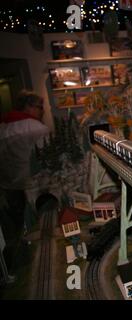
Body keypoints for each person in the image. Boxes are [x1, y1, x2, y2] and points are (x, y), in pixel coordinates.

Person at [0, 90, 49, 273]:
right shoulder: (35, 128)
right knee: (38, 228)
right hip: (31, 188)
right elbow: (47, 156)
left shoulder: (3, 128)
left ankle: (17, 270)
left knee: (15, 232)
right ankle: (38, 266)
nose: (42, 111)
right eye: (39, 107)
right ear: (28, 107)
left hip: (8, 188)